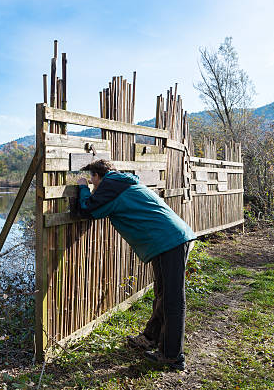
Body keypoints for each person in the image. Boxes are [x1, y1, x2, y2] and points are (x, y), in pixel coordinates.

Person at [76, 159, 196, 371]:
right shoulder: (121, 183)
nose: (93, 185)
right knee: (163, 294)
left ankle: (172, 356)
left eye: (92, 180)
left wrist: (82, 189)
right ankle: (150, 338)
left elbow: (87, 210)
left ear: (97, 176)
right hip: (168, 240)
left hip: (170, 241)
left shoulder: (111, 186)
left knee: (172, 299)